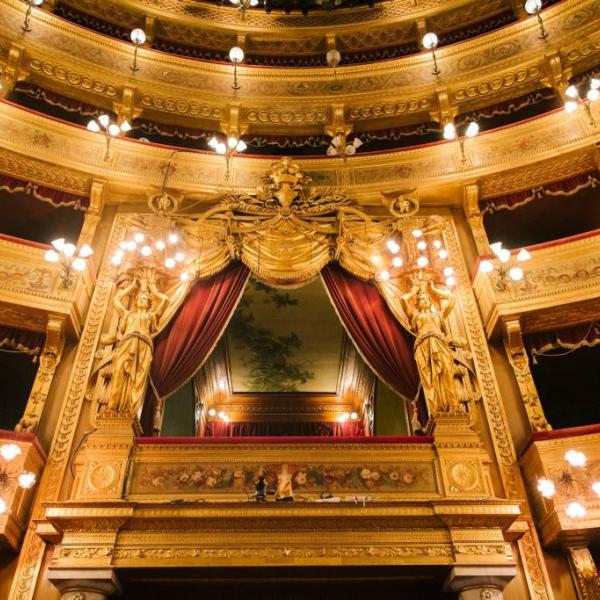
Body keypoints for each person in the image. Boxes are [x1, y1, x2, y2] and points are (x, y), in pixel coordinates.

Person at [401, 279, 461, 414]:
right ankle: (436, 410)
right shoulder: (415, 316)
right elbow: (403, 300)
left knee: (447, 373)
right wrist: (413, 292)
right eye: (421, 299)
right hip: (423, 346)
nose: (425, 300)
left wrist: (434, 290)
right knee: (429, 379)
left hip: (439, 343)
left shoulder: (438, 314)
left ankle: (454, 407)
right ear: (418, 303)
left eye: (427, 298)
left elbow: (452, 298)